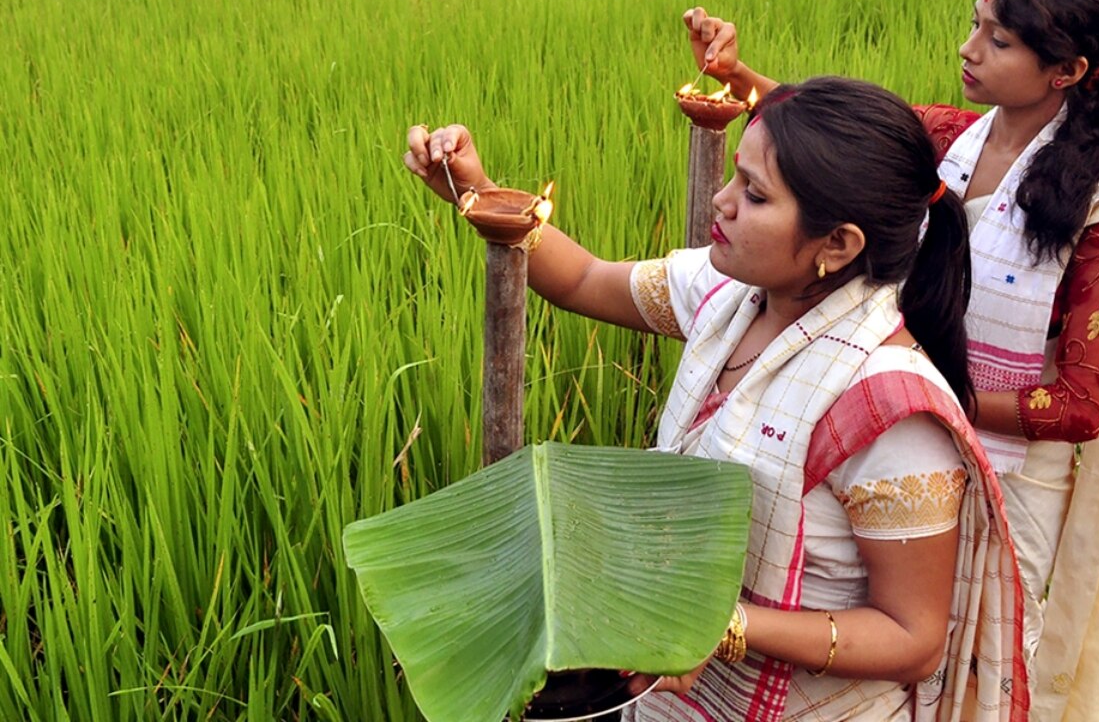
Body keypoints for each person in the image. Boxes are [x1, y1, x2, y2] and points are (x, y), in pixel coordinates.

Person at [405, 77, 1027, 720]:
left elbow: (913, 639)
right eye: (736, 177)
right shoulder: (729, 291)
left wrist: (729, 626)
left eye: (755, 195)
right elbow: (587, 279)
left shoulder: (888, 411)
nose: (721, 201)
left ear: (837, 245)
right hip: (675, 698)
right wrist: (476, 190)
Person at [678, 0, 1099, 719]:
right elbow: (826, 153)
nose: (967, 47)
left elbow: (1079, 403)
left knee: (971, 666)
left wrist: (926, 401)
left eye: (997, 38)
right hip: (889, 441)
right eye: (976, 21)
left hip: (1003, 477)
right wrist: (736, 73)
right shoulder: (951, 138)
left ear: (1067, 71)